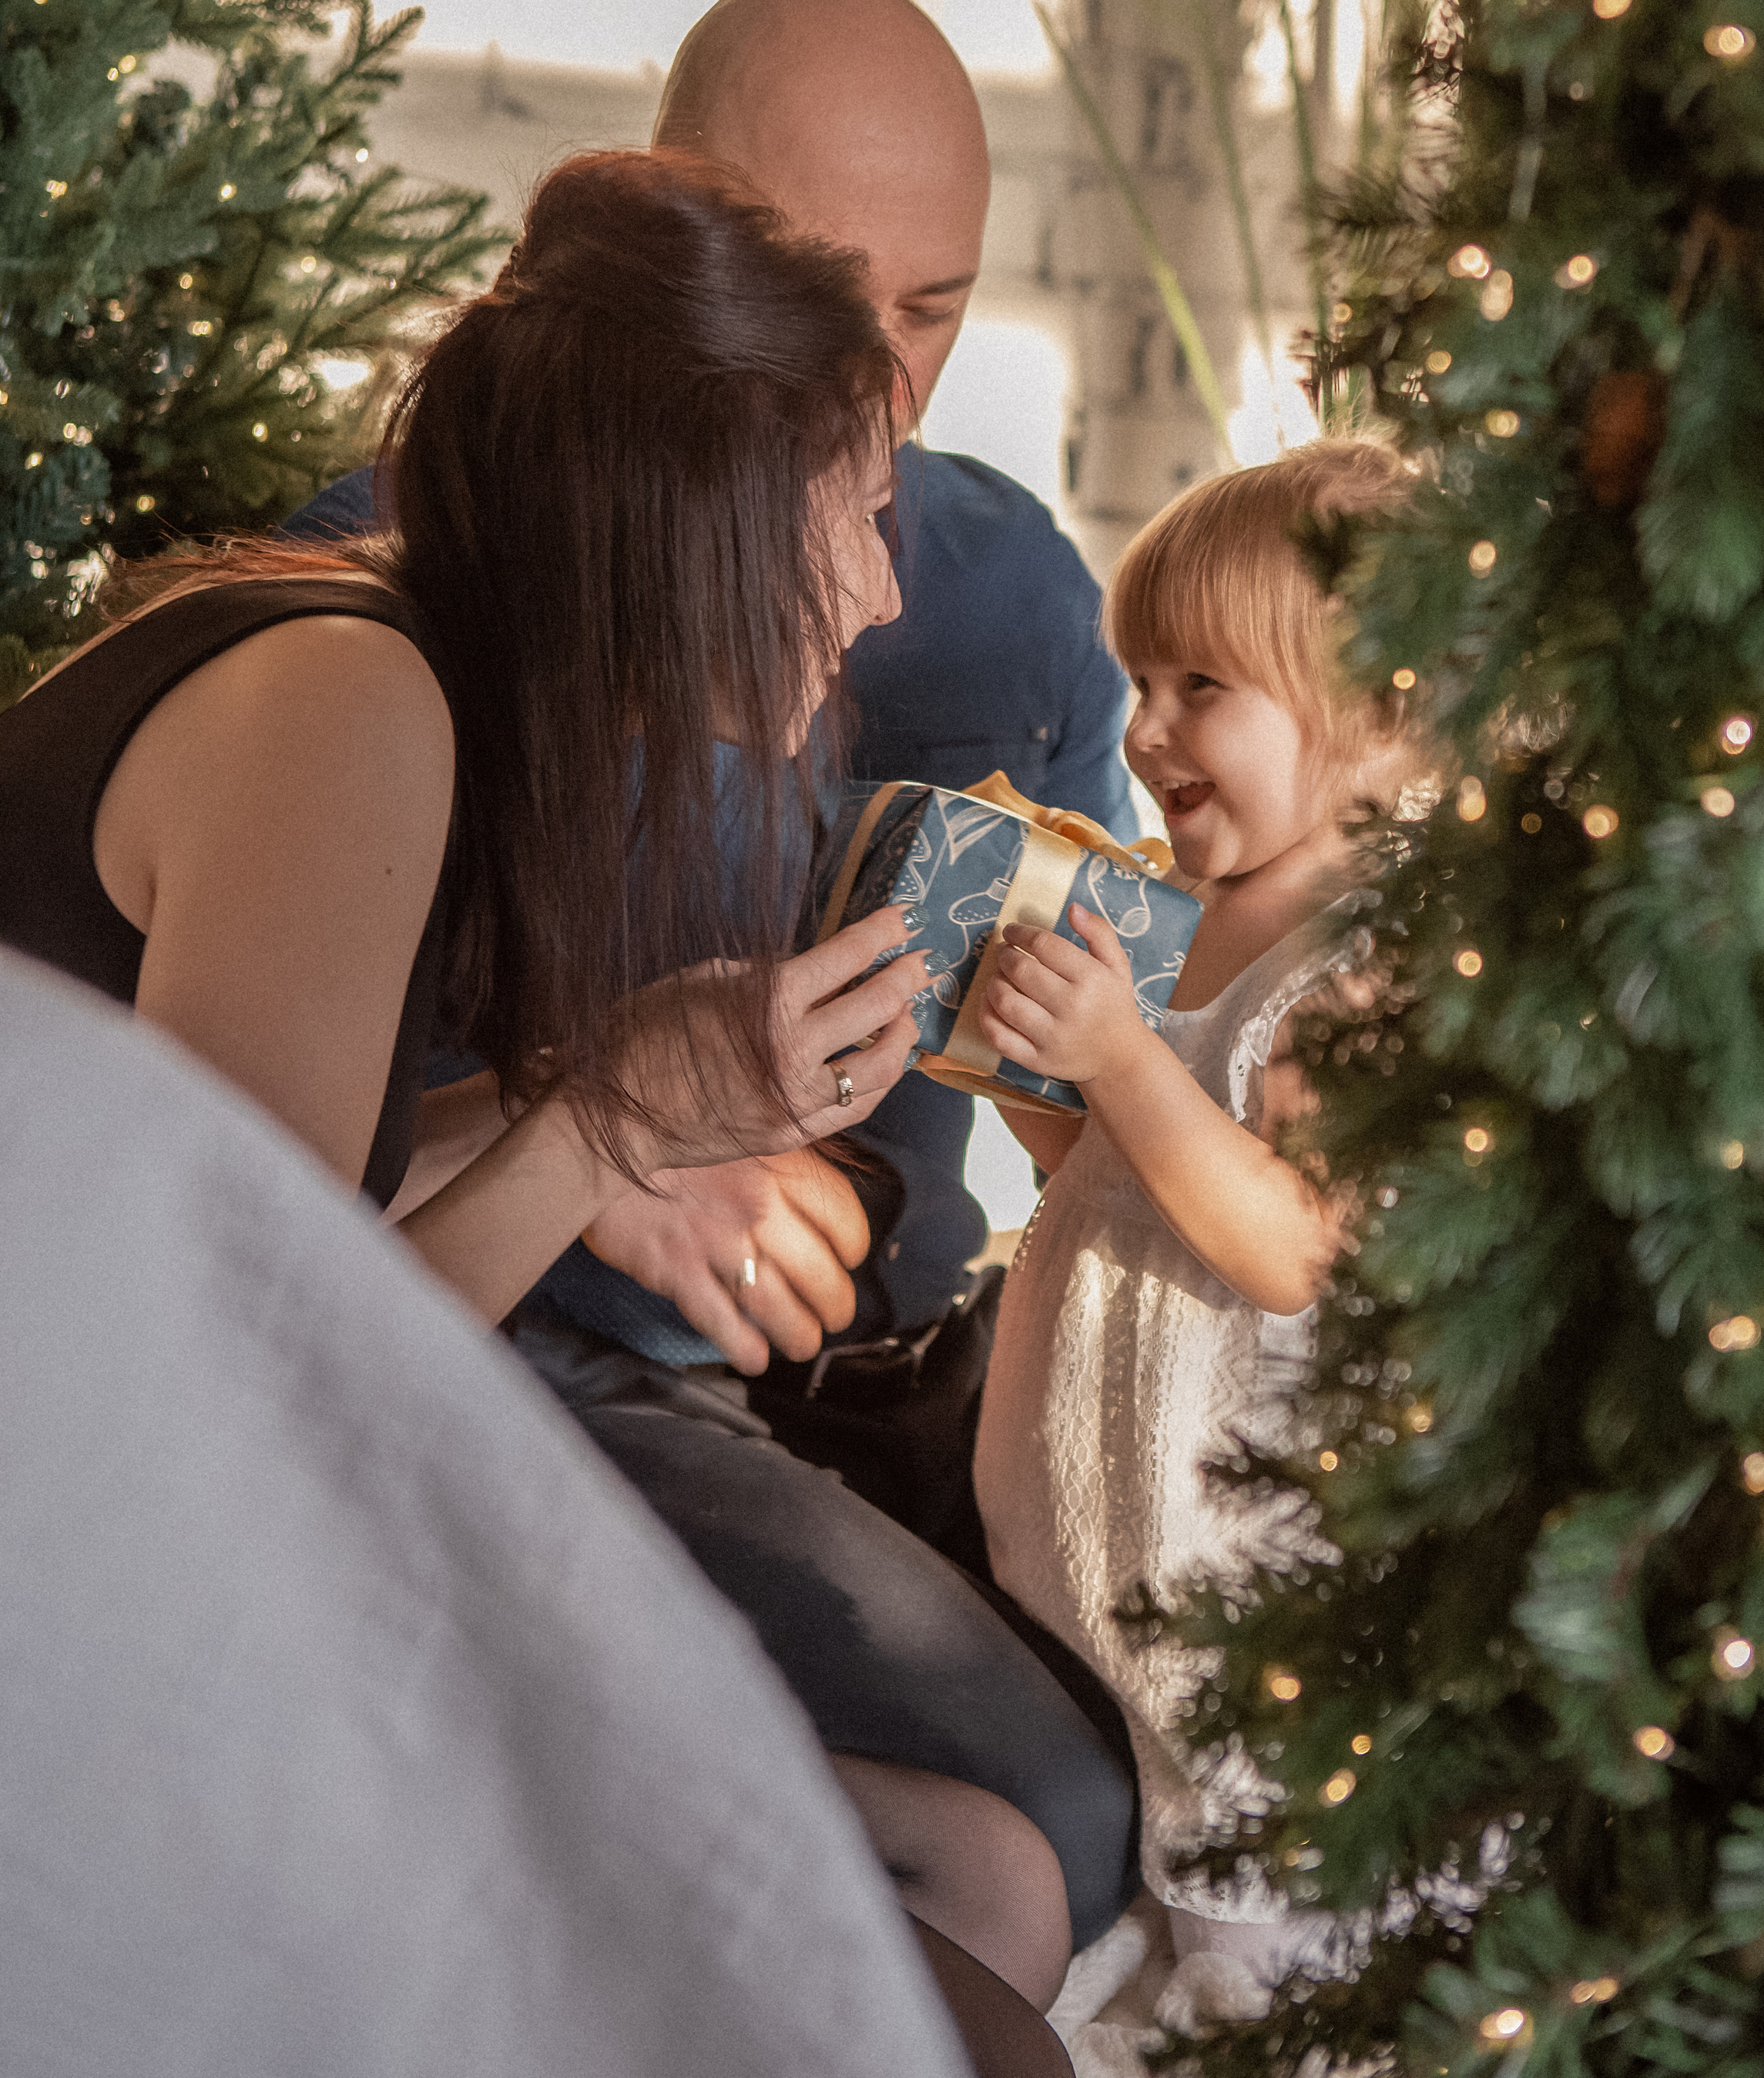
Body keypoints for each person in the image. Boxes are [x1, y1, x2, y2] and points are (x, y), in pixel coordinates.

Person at [0, 149, 1088, 2024]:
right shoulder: (346, 709)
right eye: (854, 511)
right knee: (948, 1983)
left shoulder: (381, 666)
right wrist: (599, 1132)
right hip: (90, 1629)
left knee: (985, 1861)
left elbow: (255, 1179)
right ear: (698, 522)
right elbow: (247, 1419)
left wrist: (610, 1083)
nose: (880, 591)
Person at [293, 0, 1144, 1993]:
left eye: (937, 310)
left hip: (896, 1362)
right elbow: (279, 1211)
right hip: (527, 1368)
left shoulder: (1008, 598)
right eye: (827, 298)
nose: (892, 384)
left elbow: (1059, 1080)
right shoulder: (380, 617)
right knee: (1033, 1828)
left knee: (1133, 1789)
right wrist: (612, 1144)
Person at [0, 943, 974, 2078]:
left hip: (308, 1461)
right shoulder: (334, 767)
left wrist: (578, 1102)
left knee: (1009, 1866)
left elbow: (312, 1192)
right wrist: (610, 1123)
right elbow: (274, 1360)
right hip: (223, 1571)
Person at [973, 443, 1430, 1990]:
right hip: (1115, 1566)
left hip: (1250, 1567)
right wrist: (1020, 1066)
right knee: (1156, 1909)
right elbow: (1111, 1176)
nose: (1144, 726)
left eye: (1198, 687)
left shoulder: (1363, 949)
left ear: (1369, 709)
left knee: (1257, 1926)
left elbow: (1292, 1246)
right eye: (1136, 680)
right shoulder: (1175, 914)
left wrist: (1111, 1053)